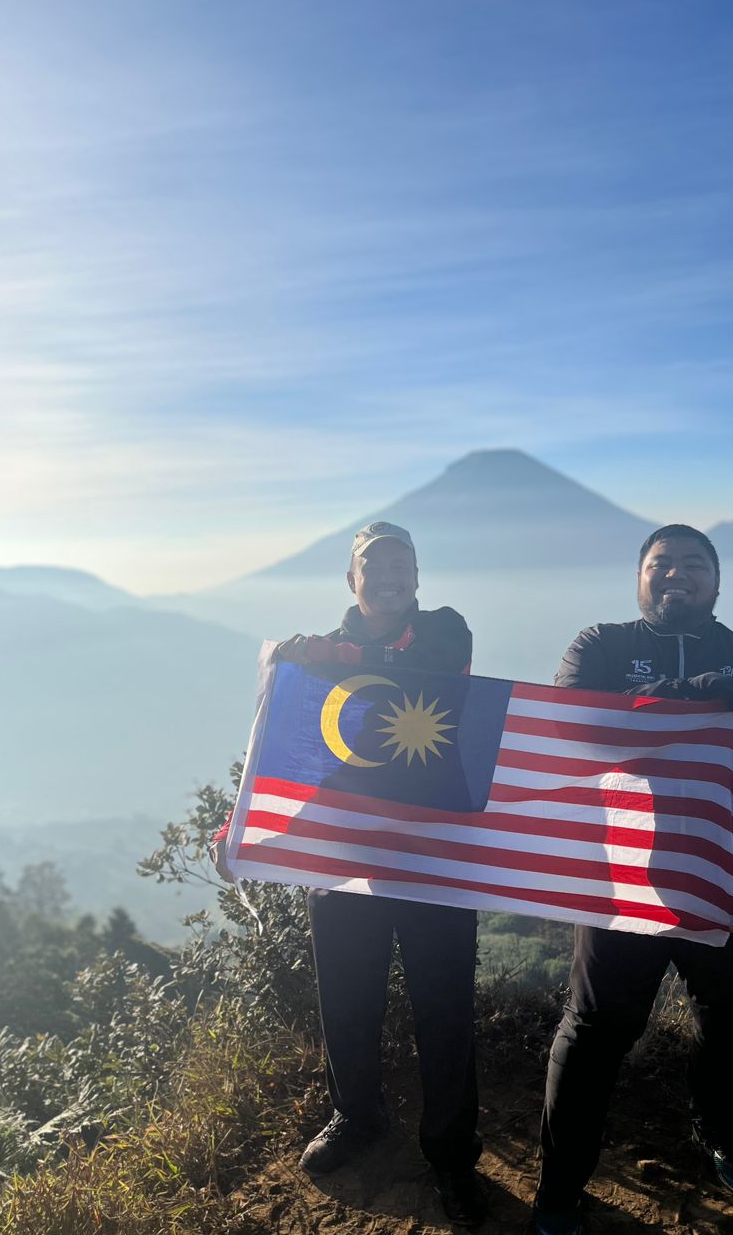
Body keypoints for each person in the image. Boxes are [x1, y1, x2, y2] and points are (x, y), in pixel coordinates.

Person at [529, 524, 733, 1235]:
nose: (676, 575)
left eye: (694, 565)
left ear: (718, 583)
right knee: (595, 1030)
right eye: (660, 564)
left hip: (727, 887)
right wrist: (689, 694)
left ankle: (718, 1130)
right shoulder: (599, 647)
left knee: (731, 1027)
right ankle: (561, 1184)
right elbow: (574, 728)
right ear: (639, 579)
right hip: (620, 886)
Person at [213, 521, 487, 1227]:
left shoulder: (442, 632)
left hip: (434, 857)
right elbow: (284, 749)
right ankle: (356, 1115)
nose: (390, 573)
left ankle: (451, 1152)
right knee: (347, 998)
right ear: (351, 579)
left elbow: (421, 668)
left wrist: (326, 654)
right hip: (344, 858)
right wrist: (237, 829)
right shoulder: (311, 661)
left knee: (444, 1007)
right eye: (374, 563)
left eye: (404, 562)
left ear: (418, 577)